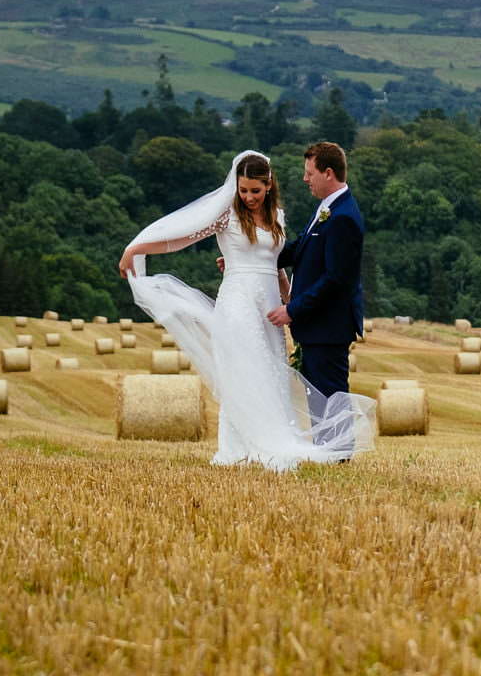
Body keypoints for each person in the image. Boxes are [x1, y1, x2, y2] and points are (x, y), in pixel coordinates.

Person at [117, 150, 366, 468]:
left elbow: (275, 261)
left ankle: (280, 445)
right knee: (244, 371)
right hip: (238, 302)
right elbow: (180, 238)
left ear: (269, 185)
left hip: (270, 305)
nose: (248, 197)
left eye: (255, 191)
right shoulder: (226, 216)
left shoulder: (278, 214)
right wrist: (136, 249)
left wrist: (290, 300)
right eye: (243, 190)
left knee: (270, 371)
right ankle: (239, 448)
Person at [268, 141, 363, 446]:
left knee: (330, 392)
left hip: (328, 325)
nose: (305, 179)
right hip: (317, 325)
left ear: (329, 173)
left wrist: (292, 310)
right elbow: (300, 249)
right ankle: (327, 451)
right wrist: (255, 257)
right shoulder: (328, 208)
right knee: (318, 393)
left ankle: (337, 454)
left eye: (310, 173)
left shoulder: (343, 216)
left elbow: (336, 279)